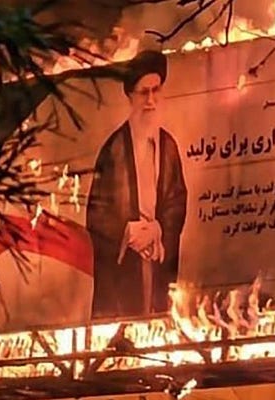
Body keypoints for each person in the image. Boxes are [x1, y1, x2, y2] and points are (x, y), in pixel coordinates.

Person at [86, 50, 187, 319]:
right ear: (130, 96)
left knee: (158, 320)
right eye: (143, 93)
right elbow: (96, 213)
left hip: (156, 252)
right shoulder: (113, 149)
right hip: (125, 259)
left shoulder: (168, 146)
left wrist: (159, 229)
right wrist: (127, 232)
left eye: (156, 90)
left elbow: (177, 199)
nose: (150, 100)